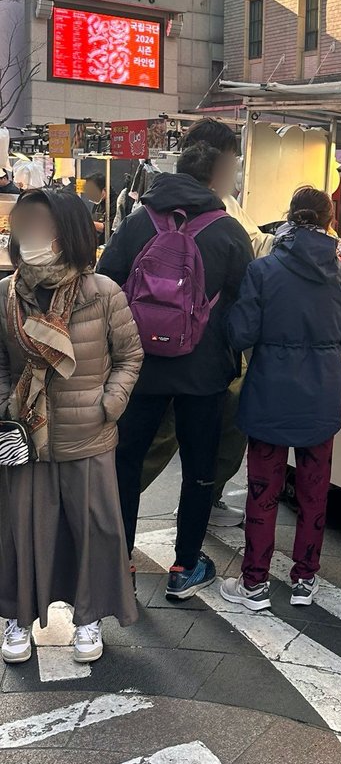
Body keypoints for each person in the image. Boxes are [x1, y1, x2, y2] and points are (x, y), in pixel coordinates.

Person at [98, 142, 253, 600]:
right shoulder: (229, 230)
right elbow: (245, 306)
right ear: (218, 175)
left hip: (138, 367)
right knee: (199, 465)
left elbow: (105, 283)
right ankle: (185, 566)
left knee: (125, 461)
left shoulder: (137, 221)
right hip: (202, 374)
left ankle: (119, 562)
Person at [0, 189, 143, 665]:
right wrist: (6, 405)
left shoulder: (103, 293)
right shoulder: (5, 295)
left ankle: (89, 619)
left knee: (94, 531)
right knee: (21, 530)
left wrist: (111, 402)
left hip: (89, 434)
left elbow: (129, 357)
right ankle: (17, 618)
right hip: (26, 439)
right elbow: (1, 363)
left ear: (70, 234)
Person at [221, 186, 341, 611]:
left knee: (263, 491)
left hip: (269, 392)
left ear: (290, 216)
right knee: (314, 490)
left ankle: (254, 584)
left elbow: (241, 333)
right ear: (329, 220)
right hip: (320, 395)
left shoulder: (263, 271)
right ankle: (305, 578)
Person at [138, 118, 273, 527]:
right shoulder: (225, 221)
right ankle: (188, 555)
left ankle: (105, 520)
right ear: (218, 163)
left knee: (143, 445)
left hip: (146, 355)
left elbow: (111, 279)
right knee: (201, 448)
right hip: (206, 361)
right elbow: (248, 290)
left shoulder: (141, 212)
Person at [84, 173, 117, 237]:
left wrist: (88, 223)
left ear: (105, 189)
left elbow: (111, 228)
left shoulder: (115, 203)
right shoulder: (98, 202)